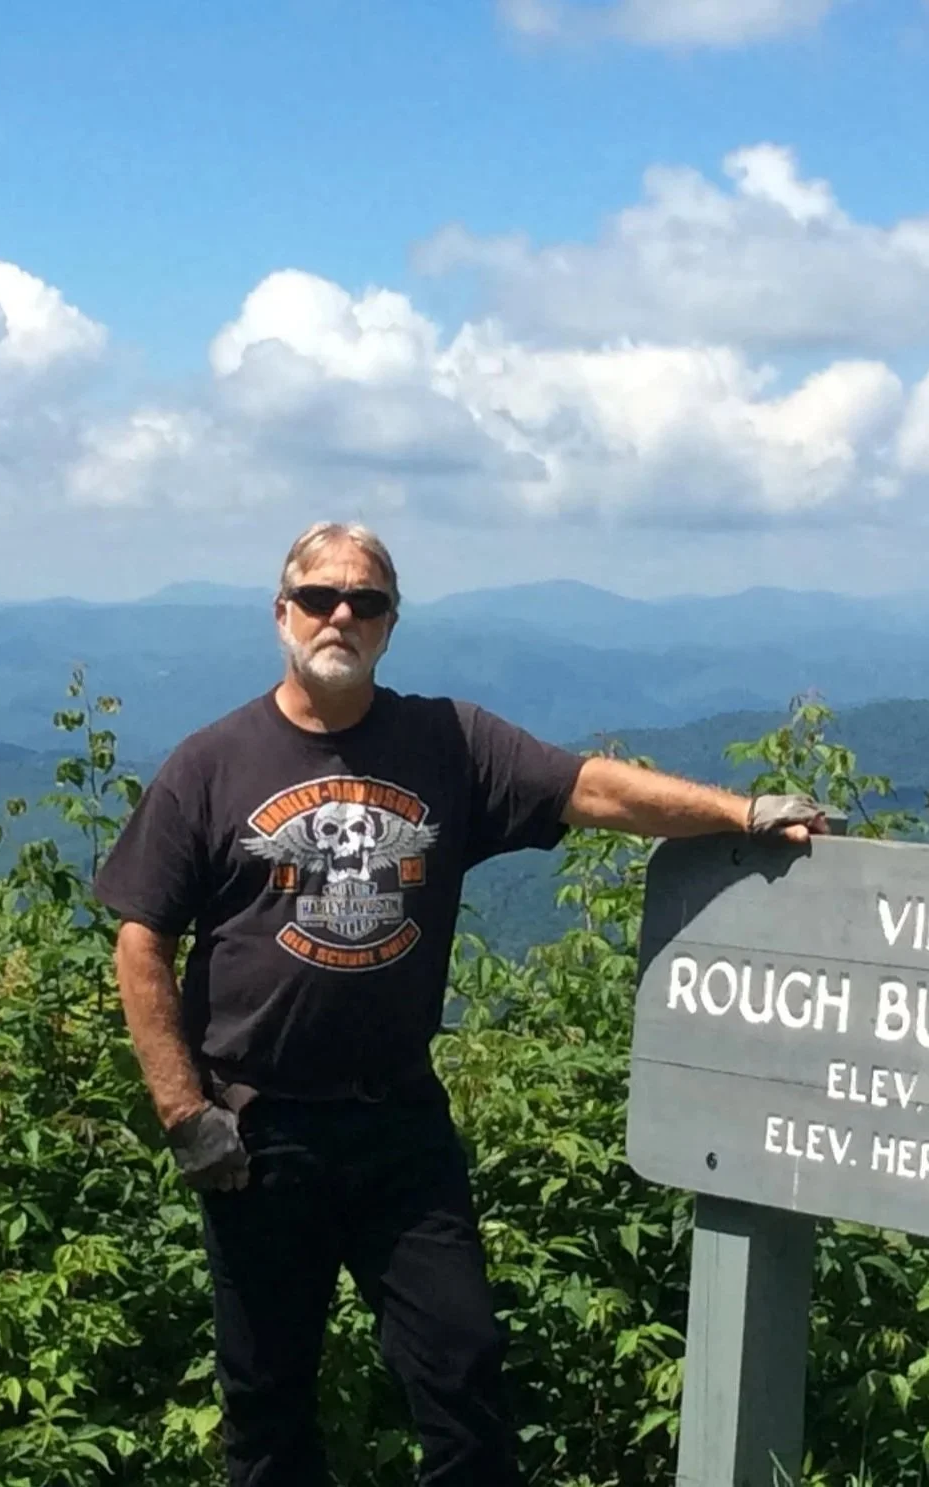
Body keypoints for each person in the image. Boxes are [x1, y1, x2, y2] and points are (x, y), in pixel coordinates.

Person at [91, 521, 827, 1486]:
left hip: (400, 1121)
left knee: (464, 1372)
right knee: (267, 1403)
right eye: (319, 597)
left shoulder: (445, 741)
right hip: (256, 1128)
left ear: (392, 625)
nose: (341, 614)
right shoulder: (211, 763)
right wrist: (184, 1114)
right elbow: (141, 936)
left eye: (367, 600)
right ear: (281, 614)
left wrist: (741, 813)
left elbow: (588, 789)